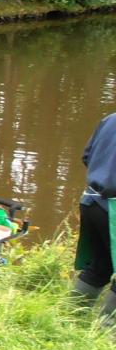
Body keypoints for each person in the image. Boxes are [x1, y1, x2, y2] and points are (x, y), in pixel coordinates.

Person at [71, 113, 116, 324]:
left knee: (100, 266)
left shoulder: (111, 119)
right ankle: (108, 337)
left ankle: (69, 319)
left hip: (91, 201)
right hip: (113, 207)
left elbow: (86, 156)